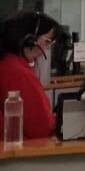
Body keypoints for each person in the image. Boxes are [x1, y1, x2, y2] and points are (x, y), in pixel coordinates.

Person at [0, 11, 60, 140]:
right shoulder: (17, 73)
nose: (47, 49)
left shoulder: (7, 64)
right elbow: (40, 127)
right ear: (30, 41)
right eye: (47, 42)